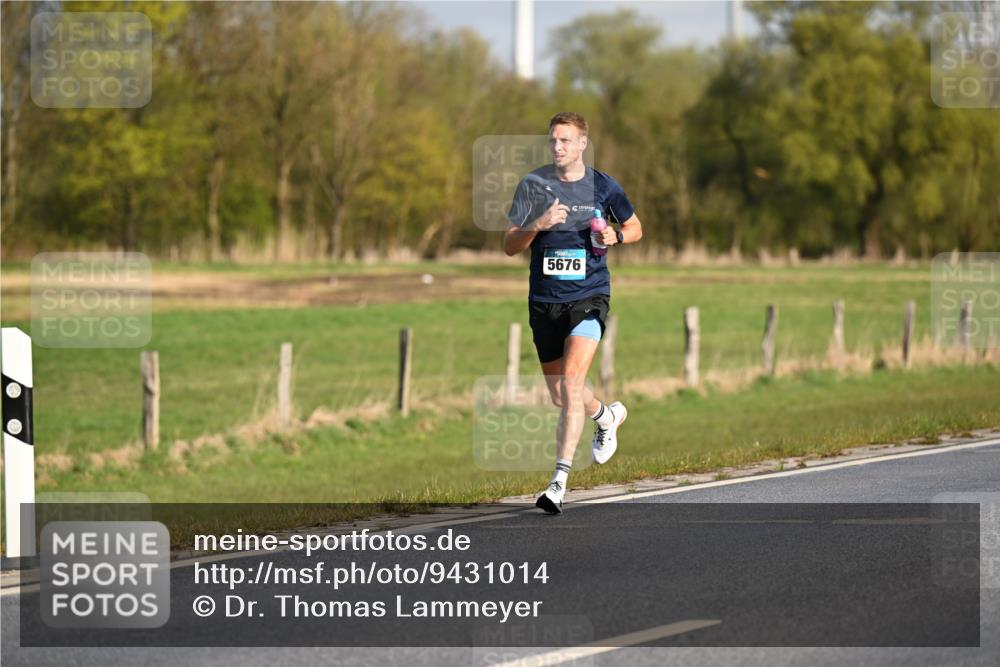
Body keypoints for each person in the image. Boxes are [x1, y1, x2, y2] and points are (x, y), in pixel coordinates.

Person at [503, 111, 643, 514]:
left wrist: (616, 235)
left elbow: (635, 227)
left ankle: (558, 482)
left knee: (571, 383)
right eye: (553, 140)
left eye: (566, 140)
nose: (558, 147)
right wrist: (539, 224)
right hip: (544, 301)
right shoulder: (533, 185)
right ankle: (606, 415)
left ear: (583, 144)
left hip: (589, 296)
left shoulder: (603, 186)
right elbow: (510, 245)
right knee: (561, 394)